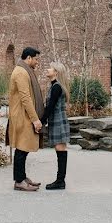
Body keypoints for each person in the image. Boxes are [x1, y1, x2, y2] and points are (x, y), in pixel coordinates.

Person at [6, 46, 44, 191]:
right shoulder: (21, 72)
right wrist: (35, 119)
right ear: (28, 58)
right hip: (22, 116)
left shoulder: (23, 70)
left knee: (23, 148)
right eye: (35, 59)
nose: (37, 62)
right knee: (22, 148)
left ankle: (22, 177)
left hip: (23, 114)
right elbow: (25, 97)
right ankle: (19, 181)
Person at [39, 61, 70, 190]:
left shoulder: (57, 87)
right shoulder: (55, 86)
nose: (47, 69)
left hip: (58, 120)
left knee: (60, 149)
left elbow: (50, 107)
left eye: (50, 68)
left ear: (56, 72)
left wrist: (41, 121)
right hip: (58, 119)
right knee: (60, 149)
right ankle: (60, 180)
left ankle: (60, 181)